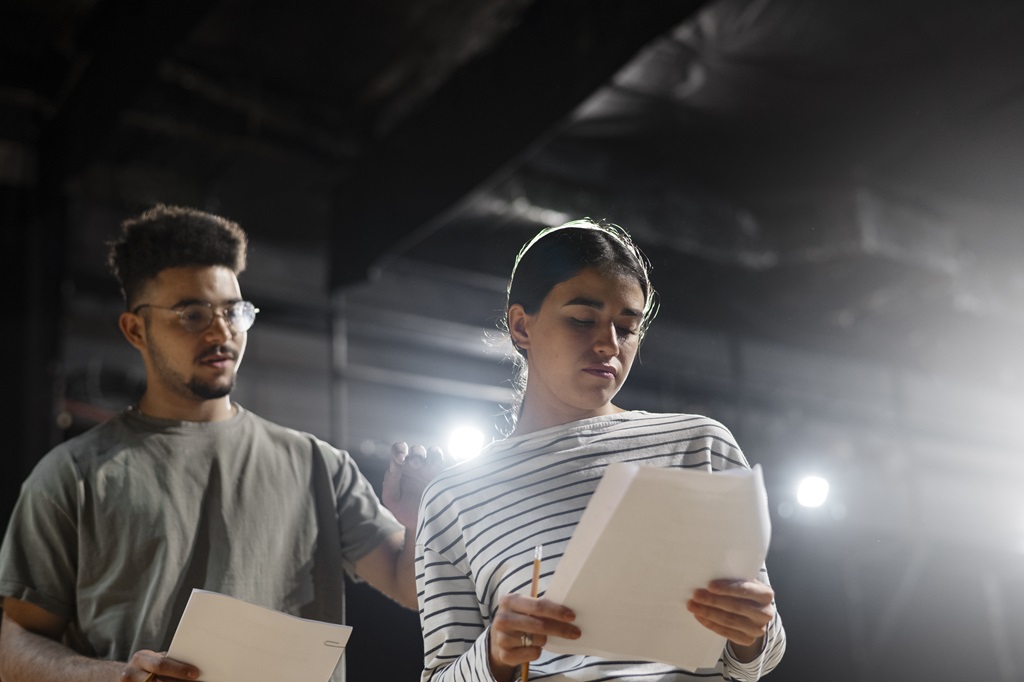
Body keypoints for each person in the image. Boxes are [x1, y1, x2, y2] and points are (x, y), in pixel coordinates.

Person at [0, 204, 443, 682]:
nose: (221, 332)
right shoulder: (73, 476)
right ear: (135, 329)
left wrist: (420, 519)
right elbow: (16, 646)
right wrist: (114, 677)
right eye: (192, 314)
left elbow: (410, 584)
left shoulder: (318, 465)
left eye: (233, 311)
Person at [415, 219, 786, 682]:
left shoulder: (700, 444)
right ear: (521, 325)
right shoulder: (454, 495)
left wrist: (749, 628)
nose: (608, 344)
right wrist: (494, 654)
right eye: (581, 320)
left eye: (627, 327)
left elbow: (760, 654)